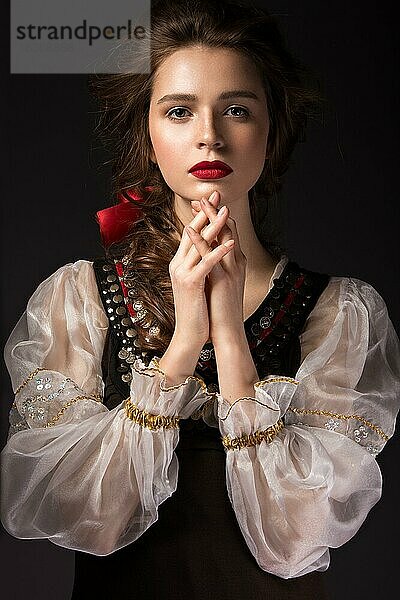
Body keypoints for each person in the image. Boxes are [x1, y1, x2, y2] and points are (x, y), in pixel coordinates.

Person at [1, 0, 400, 598]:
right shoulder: (78, 299)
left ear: (273, 129)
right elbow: (82, 516)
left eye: (236, 109)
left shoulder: (337, 312)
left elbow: (300, 538)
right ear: (148, 133)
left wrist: (231, 339)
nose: (209, 135)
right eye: (180, 112)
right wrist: (186, 341)